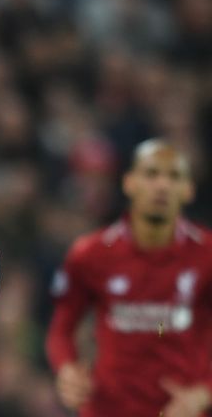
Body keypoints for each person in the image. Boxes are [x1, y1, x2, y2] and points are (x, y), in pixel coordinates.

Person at [45, 139, 212, 417]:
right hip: (108, 409)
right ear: (129, 183)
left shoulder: (207, 254)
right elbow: (61, 330)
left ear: (188, 190)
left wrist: (204, 393)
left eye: (173, 177)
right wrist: (67, 370)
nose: (161, 185)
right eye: (151, 174)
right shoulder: (90, 254)